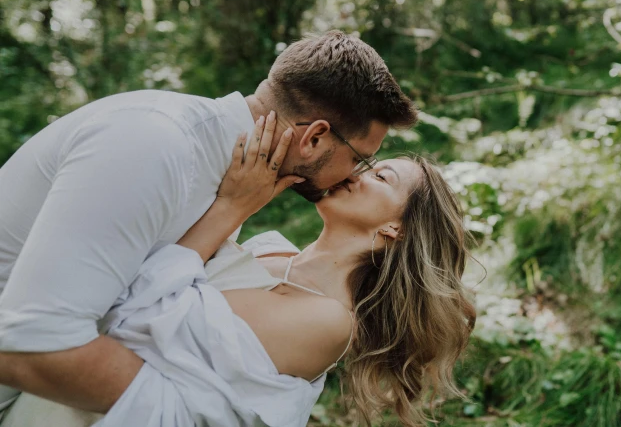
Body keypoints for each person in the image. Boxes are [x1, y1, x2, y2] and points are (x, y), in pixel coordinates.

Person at [0, 30, 418, 415]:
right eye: (360, 159)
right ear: (314, 138)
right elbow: (29, 347)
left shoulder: (217, 172)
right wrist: (210, 416)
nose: (353, 176)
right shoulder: (158, 146)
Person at [1, 116, 476, 427]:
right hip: (46, 392)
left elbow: (135, 320)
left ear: (397, 228)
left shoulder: (328, 320)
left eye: (380, 177)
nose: (355, 174)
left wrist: (230, 208)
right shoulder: (272, 253)